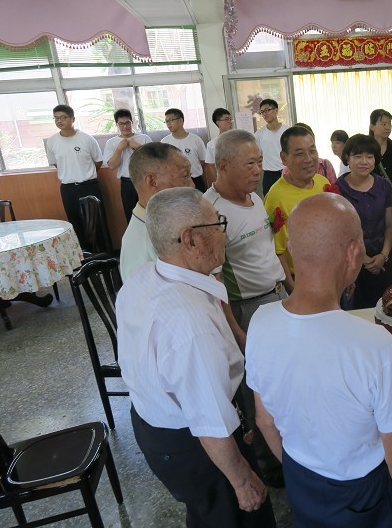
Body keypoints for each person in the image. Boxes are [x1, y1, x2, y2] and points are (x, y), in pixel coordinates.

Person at [246, 193, 392, 527]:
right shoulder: (375, 344)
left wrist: (300, 469)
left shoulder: (260, 321)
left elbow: (266, 421)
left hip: (300, 477)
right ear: (353, 253)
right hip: (362, 492)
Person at [117, 187, 276, 528]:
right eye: (218, 224)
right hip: (193, 441)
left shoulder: (144, 278)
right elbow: (210, 421)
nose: (224, 232)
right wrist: (242, 480)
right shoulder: (189, 325)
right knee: (234, 512)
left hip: (153, 423)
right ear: (190, 241)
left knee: (205, 511)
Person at [204, 129, 289, 487]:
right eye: (249, 163)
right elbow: (215, 279)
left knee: (284, 380)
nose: (258, 169)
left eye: (259, 161)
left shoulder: (253, 196)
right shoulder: (211, 212)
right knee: (258, 389)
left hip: (276, 296)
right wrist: (235, 329)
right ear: (222, 167)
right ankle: (270, 465)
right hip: (247, 310)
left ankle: (289, 447)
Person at [263, 125, 330, 283]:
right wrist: (293, 290)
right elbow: (277, 252)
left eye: (312, 151)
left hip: (329, 272)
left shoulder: (323, 183)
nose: (308, 159)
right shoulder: (276, 197)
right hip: (301, 279)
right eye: (299, 153)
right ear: (284, 158)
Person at [335, 134, 392, 308]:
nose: (364, 161)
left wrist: (383, 255)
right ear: (347, 157)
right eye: (358, 156)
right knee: (357, 312)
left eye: (369, 156)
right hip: (351, 262)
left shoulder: (384, 186)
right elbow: (339, 232)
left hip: (383, 258)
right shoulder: (337, 188)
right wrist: (362, 259)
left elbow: (390, 225)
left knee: (387, 307)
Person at [119, 142, 194, 281]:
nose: (192, 184)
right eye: (185, 175)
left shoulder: (168, 221)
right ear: (152, 181)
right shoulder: (140, 245)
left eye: (190, 175)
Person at [45, 104, 104, 249]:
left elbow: (98, 161)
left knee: (97, 223)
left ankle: (103, 255)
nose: (59, 121)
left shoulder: (86, 138)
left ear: (72, 119)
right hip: (68, 189)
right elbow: (55, 163)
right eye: (56, 118)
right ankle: (84, 255)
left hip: (89, 186)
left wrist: (85, 175)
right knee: (75, 223)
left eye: (63, 117)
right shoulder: (52, 141)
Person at [102, 109, 152, 222]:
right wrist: (119, 149)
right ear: (117, 125)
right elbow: (112, 166)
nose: (125, 126)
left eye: (127, 122)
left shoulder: (144, 138)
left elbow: (152, 161)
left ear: (132, 122)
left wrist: (138, 147)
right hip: (127, 183)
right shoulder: (112, 142)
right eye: (121, 123)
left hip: (145, 181)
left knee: (149, 214)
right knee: (131, 216)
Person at [161, 108, 207, 192]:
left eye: (171, 120)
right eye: (166, 121)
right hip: (176, 183)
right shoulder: (164, 143)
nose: (168, 124)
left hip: (196, 179)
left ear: (180, 121)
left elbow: (203, 162)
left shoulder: (196, 139)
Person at [255, 99, 289, 196]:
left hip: (287, 173)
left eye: (267, 110)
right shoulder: (259, 134)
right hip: (269, 175)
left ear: (276, 110)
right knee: (270, 205)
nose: (265, 114)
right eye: (262, 112)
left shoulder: (287, 131)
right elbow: (257, 156)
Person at [204, 108, 234, 187]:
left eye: (231, 119)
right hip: (223, 182)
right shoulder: (211, 145)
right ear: (218, 123)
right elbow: (211, 167)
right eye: (226, 119)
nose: (230, 122)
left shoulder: (238, 141)